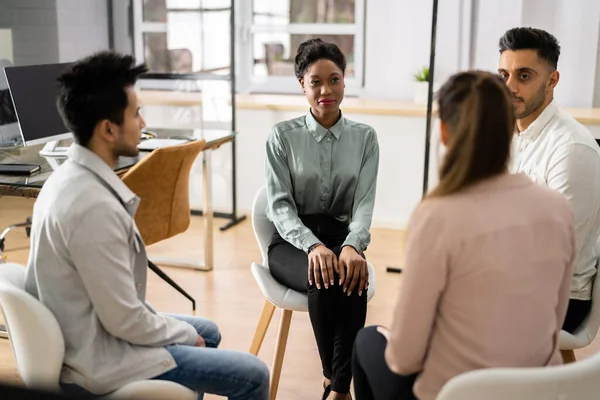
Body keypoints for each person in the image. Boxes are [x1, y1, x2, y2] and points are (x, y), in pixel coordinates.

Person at [24, 51, 269, 400]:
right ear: (108, 129)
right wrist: (185, 336)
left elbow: (119, 308)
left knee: (207, 331)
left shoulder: (69, 177)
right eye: (136, 112)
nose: (142, 122)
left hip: (89, 328)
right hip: (96, 360)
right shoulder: (90, 206)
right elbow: (124, 320)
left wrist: (186, 334)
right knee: (253, 375)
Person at [352, 71, 576, 400]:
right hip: (537, 390)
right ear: (508, 129)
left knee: (366, 341)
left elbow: (403, 358)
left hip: (455, 392)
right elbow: (554, 324)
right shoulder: (558, 209)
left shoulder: (437, 216)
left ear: (444, 132)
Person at [265, 38, 379, 400]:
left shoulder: (365, 139)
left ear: (345, 80)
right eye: (316, 81)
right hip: (291, 241)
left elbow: (363, 204)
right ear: (302, 85)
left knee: (351, 275)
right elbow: (280, 207)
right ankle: (338, 384)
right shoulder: (282, 137)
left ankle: (336, 390)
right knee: (323, 276)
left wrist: (352, 246)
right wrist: (313, 246)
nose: (326, 90)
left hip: (340, 235)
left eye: (334, 80)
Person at [498, 27, 600, 333]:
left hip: (558, 300)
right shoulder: (511, 134)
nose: (510, 86)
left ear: (552, 81)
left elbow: (554, 256)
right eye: (503, 75)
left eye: (524, 76)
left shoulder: (572, 149)